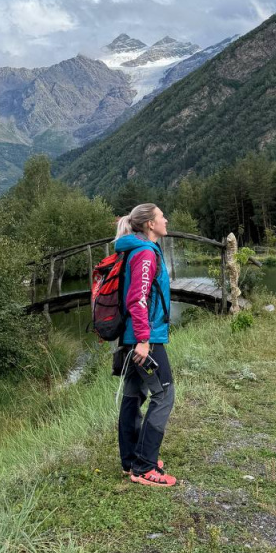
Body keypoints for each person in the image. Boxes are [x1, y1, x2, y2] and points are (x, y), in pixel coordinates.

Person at [114, 203, 177, 487]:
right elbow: (137, 298)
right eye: (162, 216)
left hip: (135, 337)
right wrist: (143, 340)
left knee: (133, 396)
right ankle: (144, 466)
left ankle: (131, 459)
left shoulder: (139, 249)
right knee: (164, 396)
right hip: (144, 340)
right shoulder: (144, 253)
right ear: (150, 224)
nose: (166, 220)